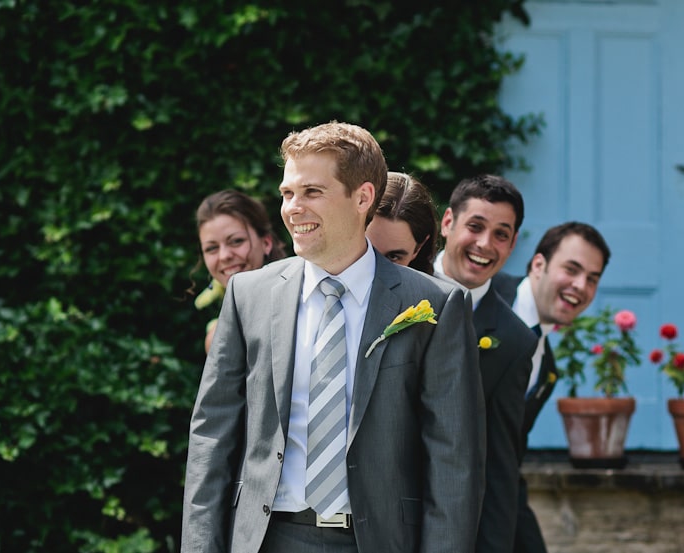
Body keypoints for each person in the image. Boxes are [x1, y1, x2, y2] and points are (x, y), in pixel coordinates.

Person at [181, 121, 486, 553]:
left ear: (362, 197)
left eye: (312, 192)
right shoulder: (249, 295)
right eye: (288, 193)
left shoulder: (434, 305)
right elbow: (212, 438)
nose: (292, 208)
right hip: (266, 539)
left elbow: (454, 460)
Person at [434, 174, 538, 553]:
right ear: (448, 223)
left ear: (512, 245)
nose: (484, 245)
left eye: (501, 235)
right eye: (475, 226)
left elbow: (498, 465)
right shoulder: (391, 288)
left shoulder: (515, 341)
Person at [494, 221, 611, 553]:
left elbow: (509, 453)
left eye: (592, 278)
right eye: (572, 270)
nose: (580, 286)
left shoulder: (548, 369)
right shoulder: (485, 296)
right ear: (539, 264)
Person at [193, 189, 287, 352]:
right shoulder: (218, 338)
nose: (224, 256)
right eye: (211, 248)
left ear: (266, 243)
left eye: (236, 241)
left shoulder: (303, 305)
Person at [365, 171, 439, 274]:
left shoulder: (440, 290)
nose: (374, 267)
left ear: (418, 249)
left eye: (393, 257)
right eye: (366, 250)